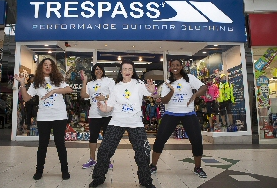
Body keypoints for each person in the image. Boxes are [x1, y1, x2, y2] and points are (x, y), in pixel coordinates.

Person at [89, 59, 156, 188]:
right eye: (125, 69)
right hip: (117, 121)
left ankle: (145, 180)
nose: (127, 71)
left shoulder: (139, 84)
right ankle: (98, 178)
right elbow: (110, 106)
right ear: (121, 71)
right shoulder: (116, 86)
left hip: (135, 123)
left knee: (143, 152)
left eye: (130, 69)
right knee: (104, 150)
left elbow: (153, 94)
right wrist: (104, 109)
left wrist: (153, 91)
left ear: (133, 71)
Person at [14, 58, 73, 180]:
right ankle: (39, 171)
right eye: (45, 65)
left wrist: (54, 91)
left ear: (53, 68)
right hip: (44, 117)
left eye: (50, 65)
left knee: (60, 143)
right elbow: (26, 98)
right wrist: (23, 84)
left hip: (59, 116)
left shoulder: (58, 80)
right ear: (41, 67)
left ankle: (65, 170)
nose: (47, 67)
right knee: (43, 144)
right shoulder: (36, 82)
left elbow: (69, 89)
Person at [150, 58, 208, 178]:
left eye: (177, 65)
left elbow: (204, 87)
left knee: (197, 141)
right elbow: (164, 101)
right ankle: (153, 166)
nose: (175, 67)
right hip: (171, 113)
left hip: (189, 114)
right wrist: (172, 91)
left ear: (181, 67)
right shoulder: (167, 82)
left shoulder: (190, 78)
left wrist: (195, 94)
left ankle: (198, 168)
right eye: (172, 65)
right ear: (170, 68)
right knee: (160, 140)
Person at [79, 63, 115, 169]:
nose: (98, 71)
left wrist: (105, 97)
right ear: (93, 71)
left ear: (103, 70)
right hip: (94, 114)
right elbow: (83, 95)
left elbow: (115, 94)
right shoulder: (90, 84)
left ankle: (106, 160)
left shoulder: (109, 81)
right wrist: (84, 81)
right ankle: (92, 160)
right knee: (93, 137)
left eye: (100, 69)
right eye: (96, 69)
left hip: (108, 113)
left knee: (107, 138)